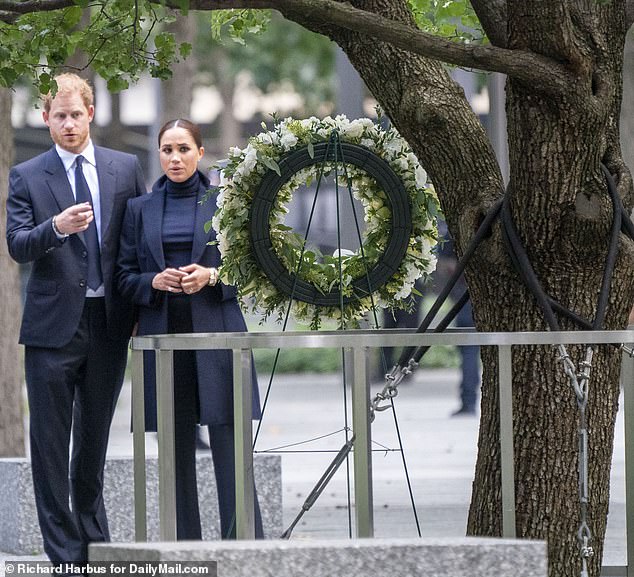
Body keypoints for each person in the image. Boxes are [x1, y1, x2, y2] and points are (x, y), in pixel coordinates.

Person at [5, 73, 146, 565]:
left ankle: (93, 540)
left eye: (75, 114)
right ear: (45, 119)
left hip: (108, 323)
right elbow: (17, 245)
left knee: (93, 441)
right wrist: (55, 227)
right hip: (51, 329)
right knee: (48, 446)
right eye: (58, 116)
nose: (68, 123)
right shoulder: (27, 175)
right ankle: (64, 555)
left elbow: (137, 242)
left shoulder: (124, 168)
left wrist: (138, 307)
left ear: (90, 114)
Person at [115, 118, 264, 540]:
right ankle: (185, 550)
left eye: (183, 149)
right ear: (158, 154)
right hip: (165, 340)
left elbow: (252, 268)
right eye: (167, 150)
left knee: (232, 449)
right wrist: (152, 282)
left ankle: (246, 549)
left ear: (200, 153)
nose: (174, 158)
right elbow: (124, 276)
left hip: (218, 335)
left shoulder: (226, 202)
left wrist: (213, 276)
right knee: (175, 453)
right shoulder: (138, 209)